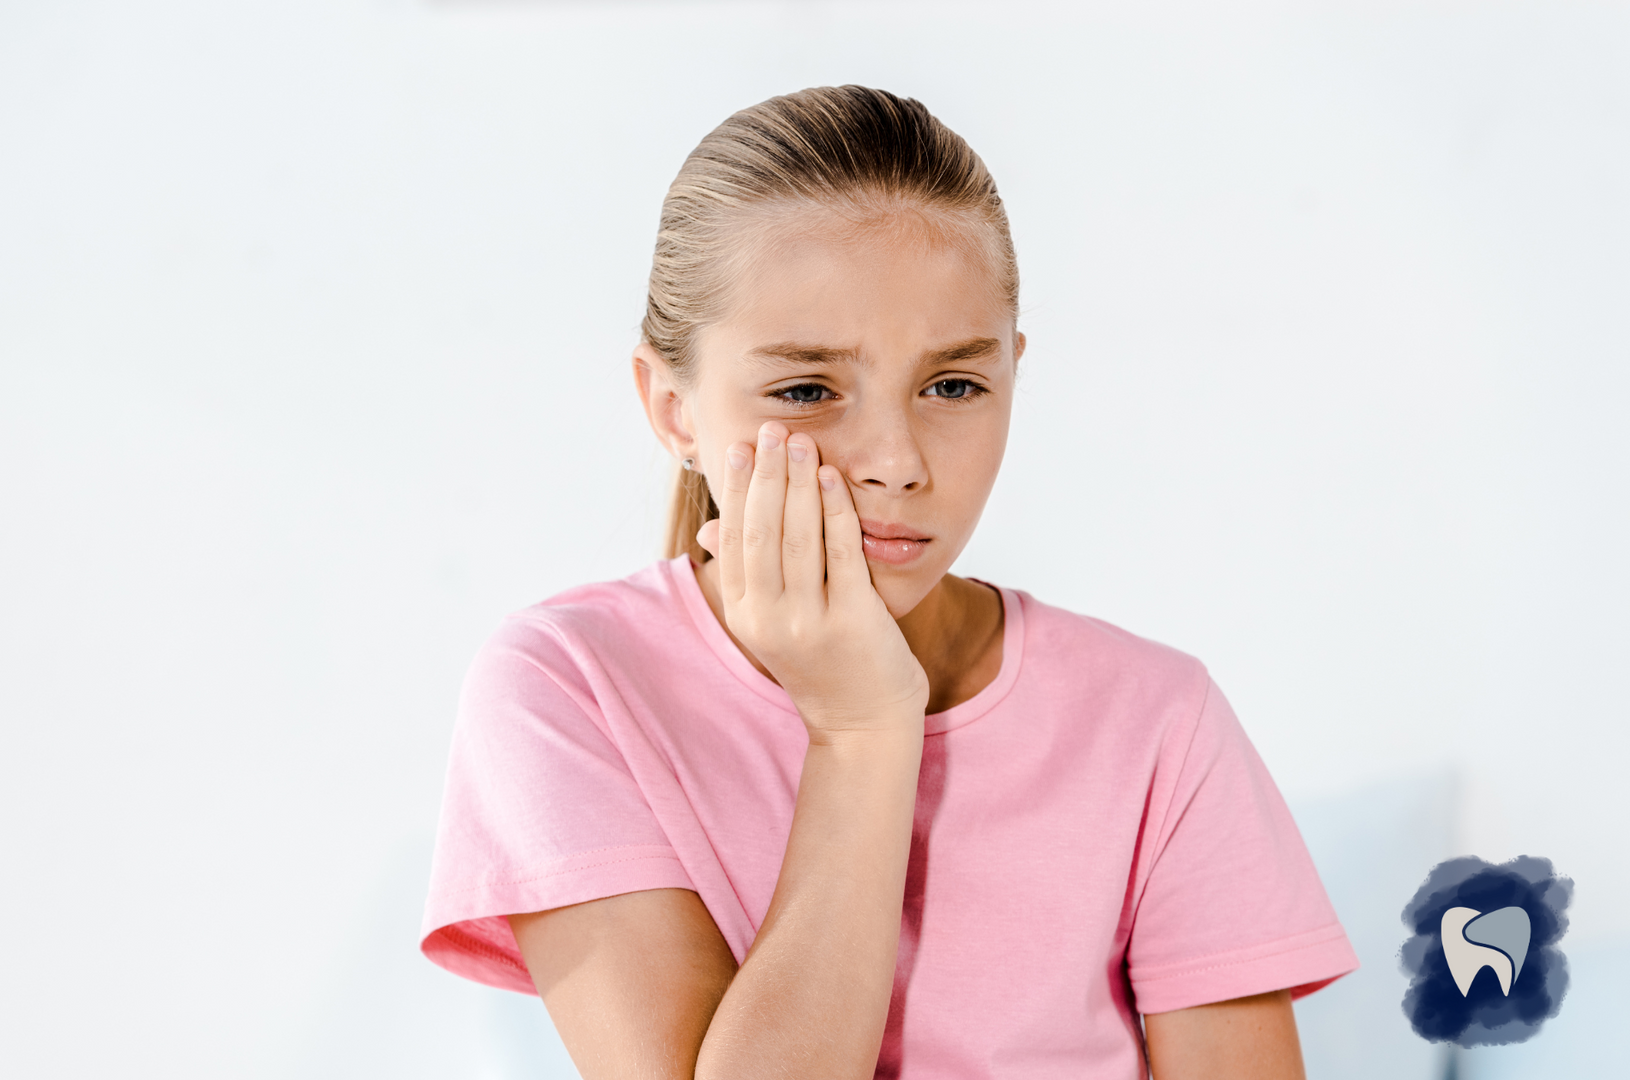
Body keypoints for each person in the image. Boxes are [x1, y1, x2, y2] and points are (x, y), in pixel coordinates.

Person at [419, 85, 1358, 1079]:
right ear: (674, 408)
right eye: (807, 390)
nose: (897, 460)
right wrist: (862, 728)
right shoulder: (570, 685)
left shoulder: (1156, 720)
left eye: (954, 384)